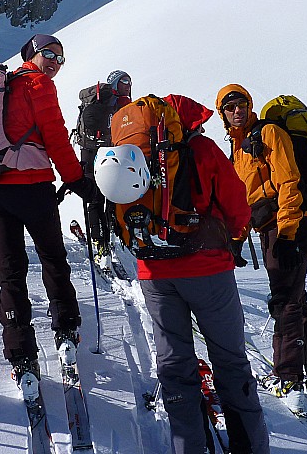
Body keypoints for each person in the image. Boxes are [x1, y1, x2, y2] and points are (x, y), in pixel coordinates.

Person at [106, 94, 270, 454]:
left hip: (154, 271)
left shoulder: (133, 152)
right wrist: (234, 235)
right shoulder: (203, 149)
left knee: (174, 364)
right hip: (208, 270)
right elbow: (237, 205)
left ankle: (188, 446)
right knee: (230, 361)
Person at [0, 33, 96, 389]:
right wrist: (76, 180)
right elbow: (55, 136)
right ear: (31, 55)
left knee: (10, 272)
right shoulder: (38, 84)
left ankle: (20, 353)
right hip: (32, 188)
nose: (55, 62)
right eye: (49, 54)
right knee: (53, 259)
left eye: (60, 58)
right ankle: (66, 328)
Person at [215, 84, 307, 416]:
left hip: (288, 229)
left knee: (285, 304)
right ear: (222, 114)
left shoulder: (268, 133)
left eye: (241, 104)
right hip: (271, 231)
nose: (237, 110)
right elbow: (246, 199)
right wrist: (237, 238)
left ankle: (289, 379)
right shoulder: (239, 146)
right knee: (295, 303)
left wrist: (287, 234)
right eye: (229, 107)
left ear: (249, 105)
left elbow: (289, 182)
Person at [77, 69, 132, 266]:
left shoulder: (102, 102)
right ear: (115, 83)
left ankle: (100, 240)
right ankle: (109, 238)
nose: (128, 85)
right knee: (110, 195)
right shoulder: (119, 103)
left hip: (89, 151)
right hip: (110, 153)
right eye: (124, 81)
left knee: (95, 198)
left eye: (129, 82)